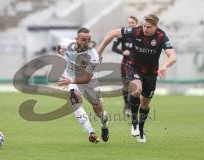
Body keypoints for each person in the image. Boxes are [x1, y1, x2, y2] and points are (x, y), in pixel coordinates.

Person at [98, 14, 177, 143]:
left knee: (145, 104)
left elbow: (173, 56)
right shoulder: (136, 31)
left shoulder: (161, 37)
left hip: (151, 73)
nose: (145, 29)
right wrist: (100, 51)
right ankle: (134, 123)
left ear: (156, 27)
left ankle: (140, 129)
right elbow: (112, 33)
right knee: (136, 90)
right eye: (144, 26)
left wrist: (165, 66)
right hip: (134, 68)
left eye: (149, 27)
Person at [57, 27, 109, 143]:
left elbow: (87, 78)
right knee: (74, 99)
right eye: (83, 39)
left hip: (89, 82)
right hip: (72, 79)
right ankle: (91, 132)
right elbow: (59, 44)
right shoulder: (67, 44)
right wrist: (60, 54)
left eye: (89, 39)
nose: (86, 42)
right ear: (76, 39)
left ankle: (104, 125)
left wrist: (70, 80)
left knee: (99, 112)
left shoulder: (93, 55)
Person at [112, 16, 138, 117]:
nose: (130, 24)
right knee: (126, 85)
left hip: (136, 64)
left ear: (136, 24)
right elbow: (114, 48)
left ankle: (130, 107)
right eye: (129, 23)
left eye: (132, 23)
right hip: (125, 63)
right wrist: (123, 52)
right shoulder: (122, 34)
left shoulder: (140, 35)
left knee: (134, 85)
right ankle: (127, 104)